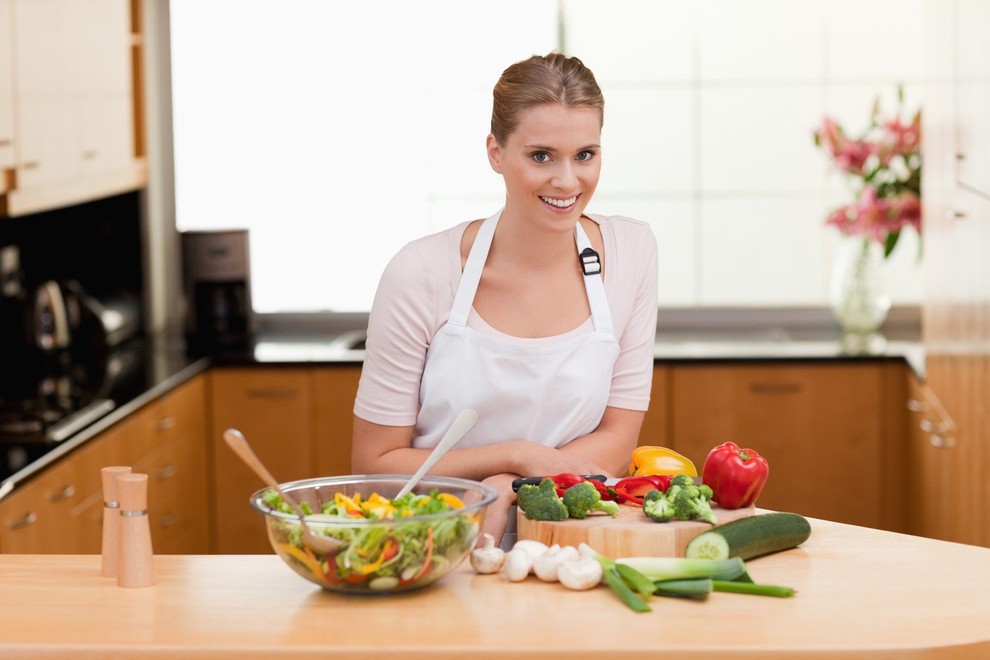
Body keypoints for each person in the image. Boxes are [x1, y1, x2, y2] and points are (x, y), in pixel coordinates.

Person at [351, 52, 658, 546]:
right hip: (437, 544)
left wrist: (513, 488)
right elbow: (376, 467)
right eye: (541, 156)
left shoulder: (631, 255)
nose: (567, 181)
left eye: (585, 154)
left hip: (576, 546)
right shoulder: (423, 273)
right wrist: (513, 457)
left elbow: (620, 440)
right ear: (495, 153)